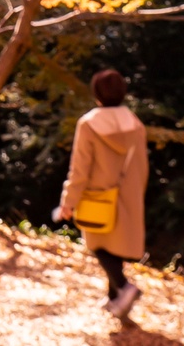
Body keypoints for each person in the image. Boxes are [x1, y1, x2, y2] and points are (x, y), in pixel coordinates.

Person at [56, 69, 150, 321]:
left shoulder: (88, 123)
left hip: (97, 196)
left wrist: (68, 202)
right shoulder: (135, 123)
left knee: (98, 245)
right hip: (128, 193)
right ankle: (113, 299)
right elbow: (142, 165)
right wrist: (137, 192)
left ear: (97, 94)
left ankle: (125, 287)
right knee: (115, 245)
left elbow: (80, 169)